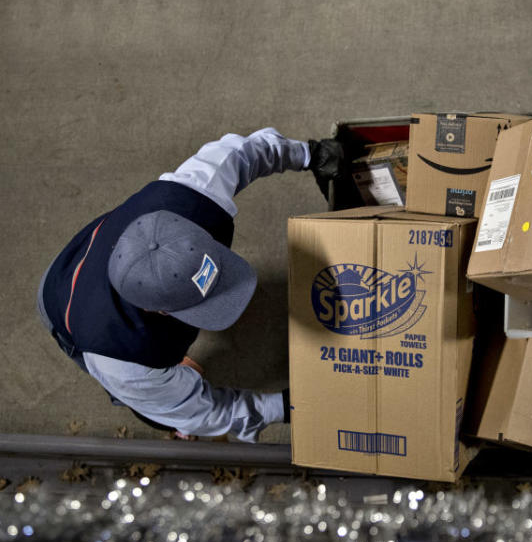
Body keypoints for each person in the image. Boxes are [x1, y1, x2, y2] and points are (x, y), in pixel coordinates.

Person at [36, 128, 341, 442]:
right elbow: (207, 414)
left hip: (87, 254)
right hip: (61, 301)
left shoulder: (191, 194)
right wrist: (287, 406)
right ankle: (159, 399)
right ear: (155, 310)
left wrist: (310, 154)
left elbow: (246, 151)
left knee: (157, 382)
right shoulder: (121, 360)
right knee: (154, 402)